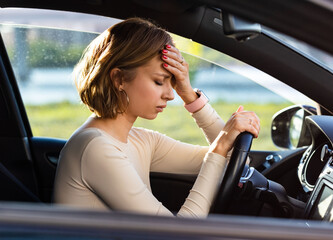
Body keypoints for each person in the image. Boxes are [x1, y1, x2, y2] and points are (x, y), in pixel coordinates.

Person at [53, 17, 260, 218]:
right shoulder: (95, 148)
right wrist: (220, 144)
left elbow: (236, 160)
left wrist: (190, 95)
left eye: (173, 82)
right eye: (160, 82)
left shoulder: (141, 140)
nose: (171, 95)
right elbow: (177, 235)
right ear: (119, 79)